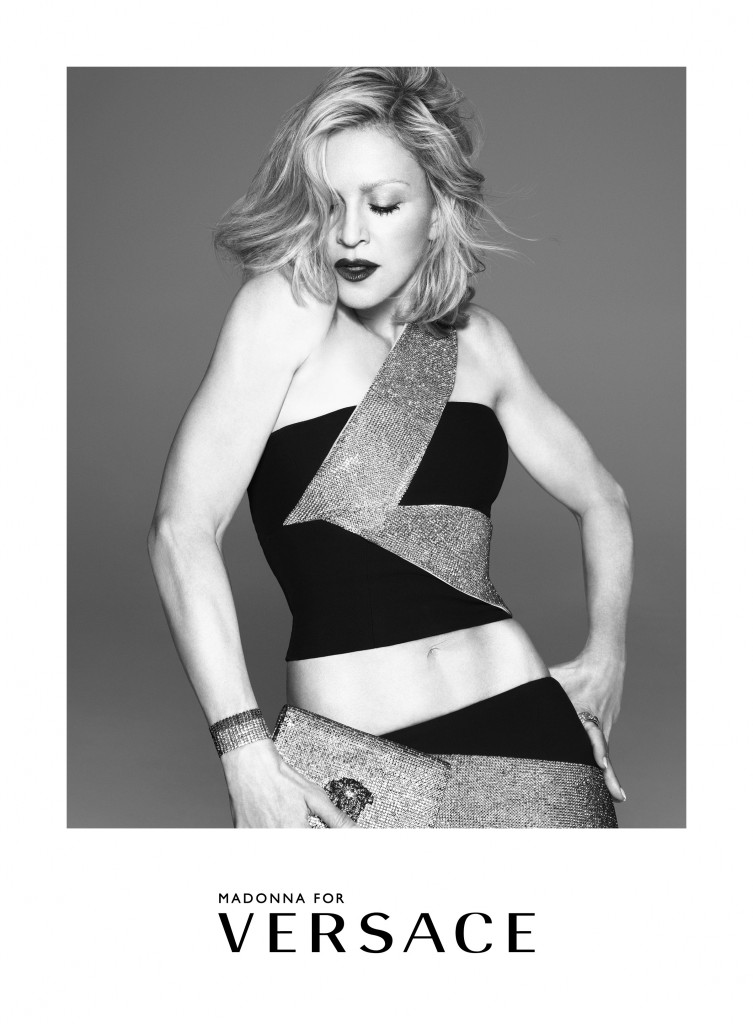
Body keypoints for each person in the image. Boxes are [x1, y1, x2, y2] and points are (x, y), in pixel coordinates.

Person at [148, 67, 633, 828]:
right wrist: (243, 748)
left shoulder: (479, 343)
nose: (351, 233)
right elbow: (181, 530)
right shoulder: (285, 310)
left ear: (437, 212)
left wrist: (606, 658)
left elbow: (603, 499)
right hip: (358, 760)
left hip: (534, 746)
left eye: (382, 204)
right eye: (329, 204)